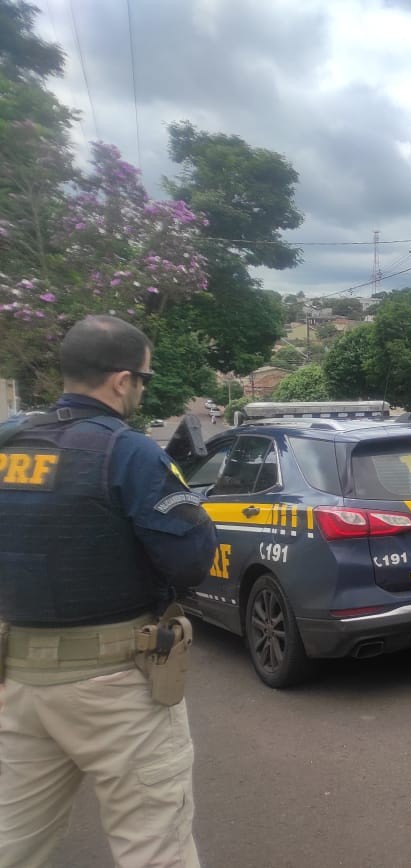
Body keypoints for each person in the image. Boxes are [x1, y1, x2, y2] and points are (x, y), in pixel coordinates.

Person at [0, 315, 217, 867]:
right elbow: (190, 559)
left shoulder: (10, 444)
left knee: (14, 842)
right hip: (115, 681)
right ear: (122, 380)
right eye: (143, 379)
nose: (140, 389)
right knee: (154, 846)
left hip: (17, 680)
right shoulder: (129, 452)